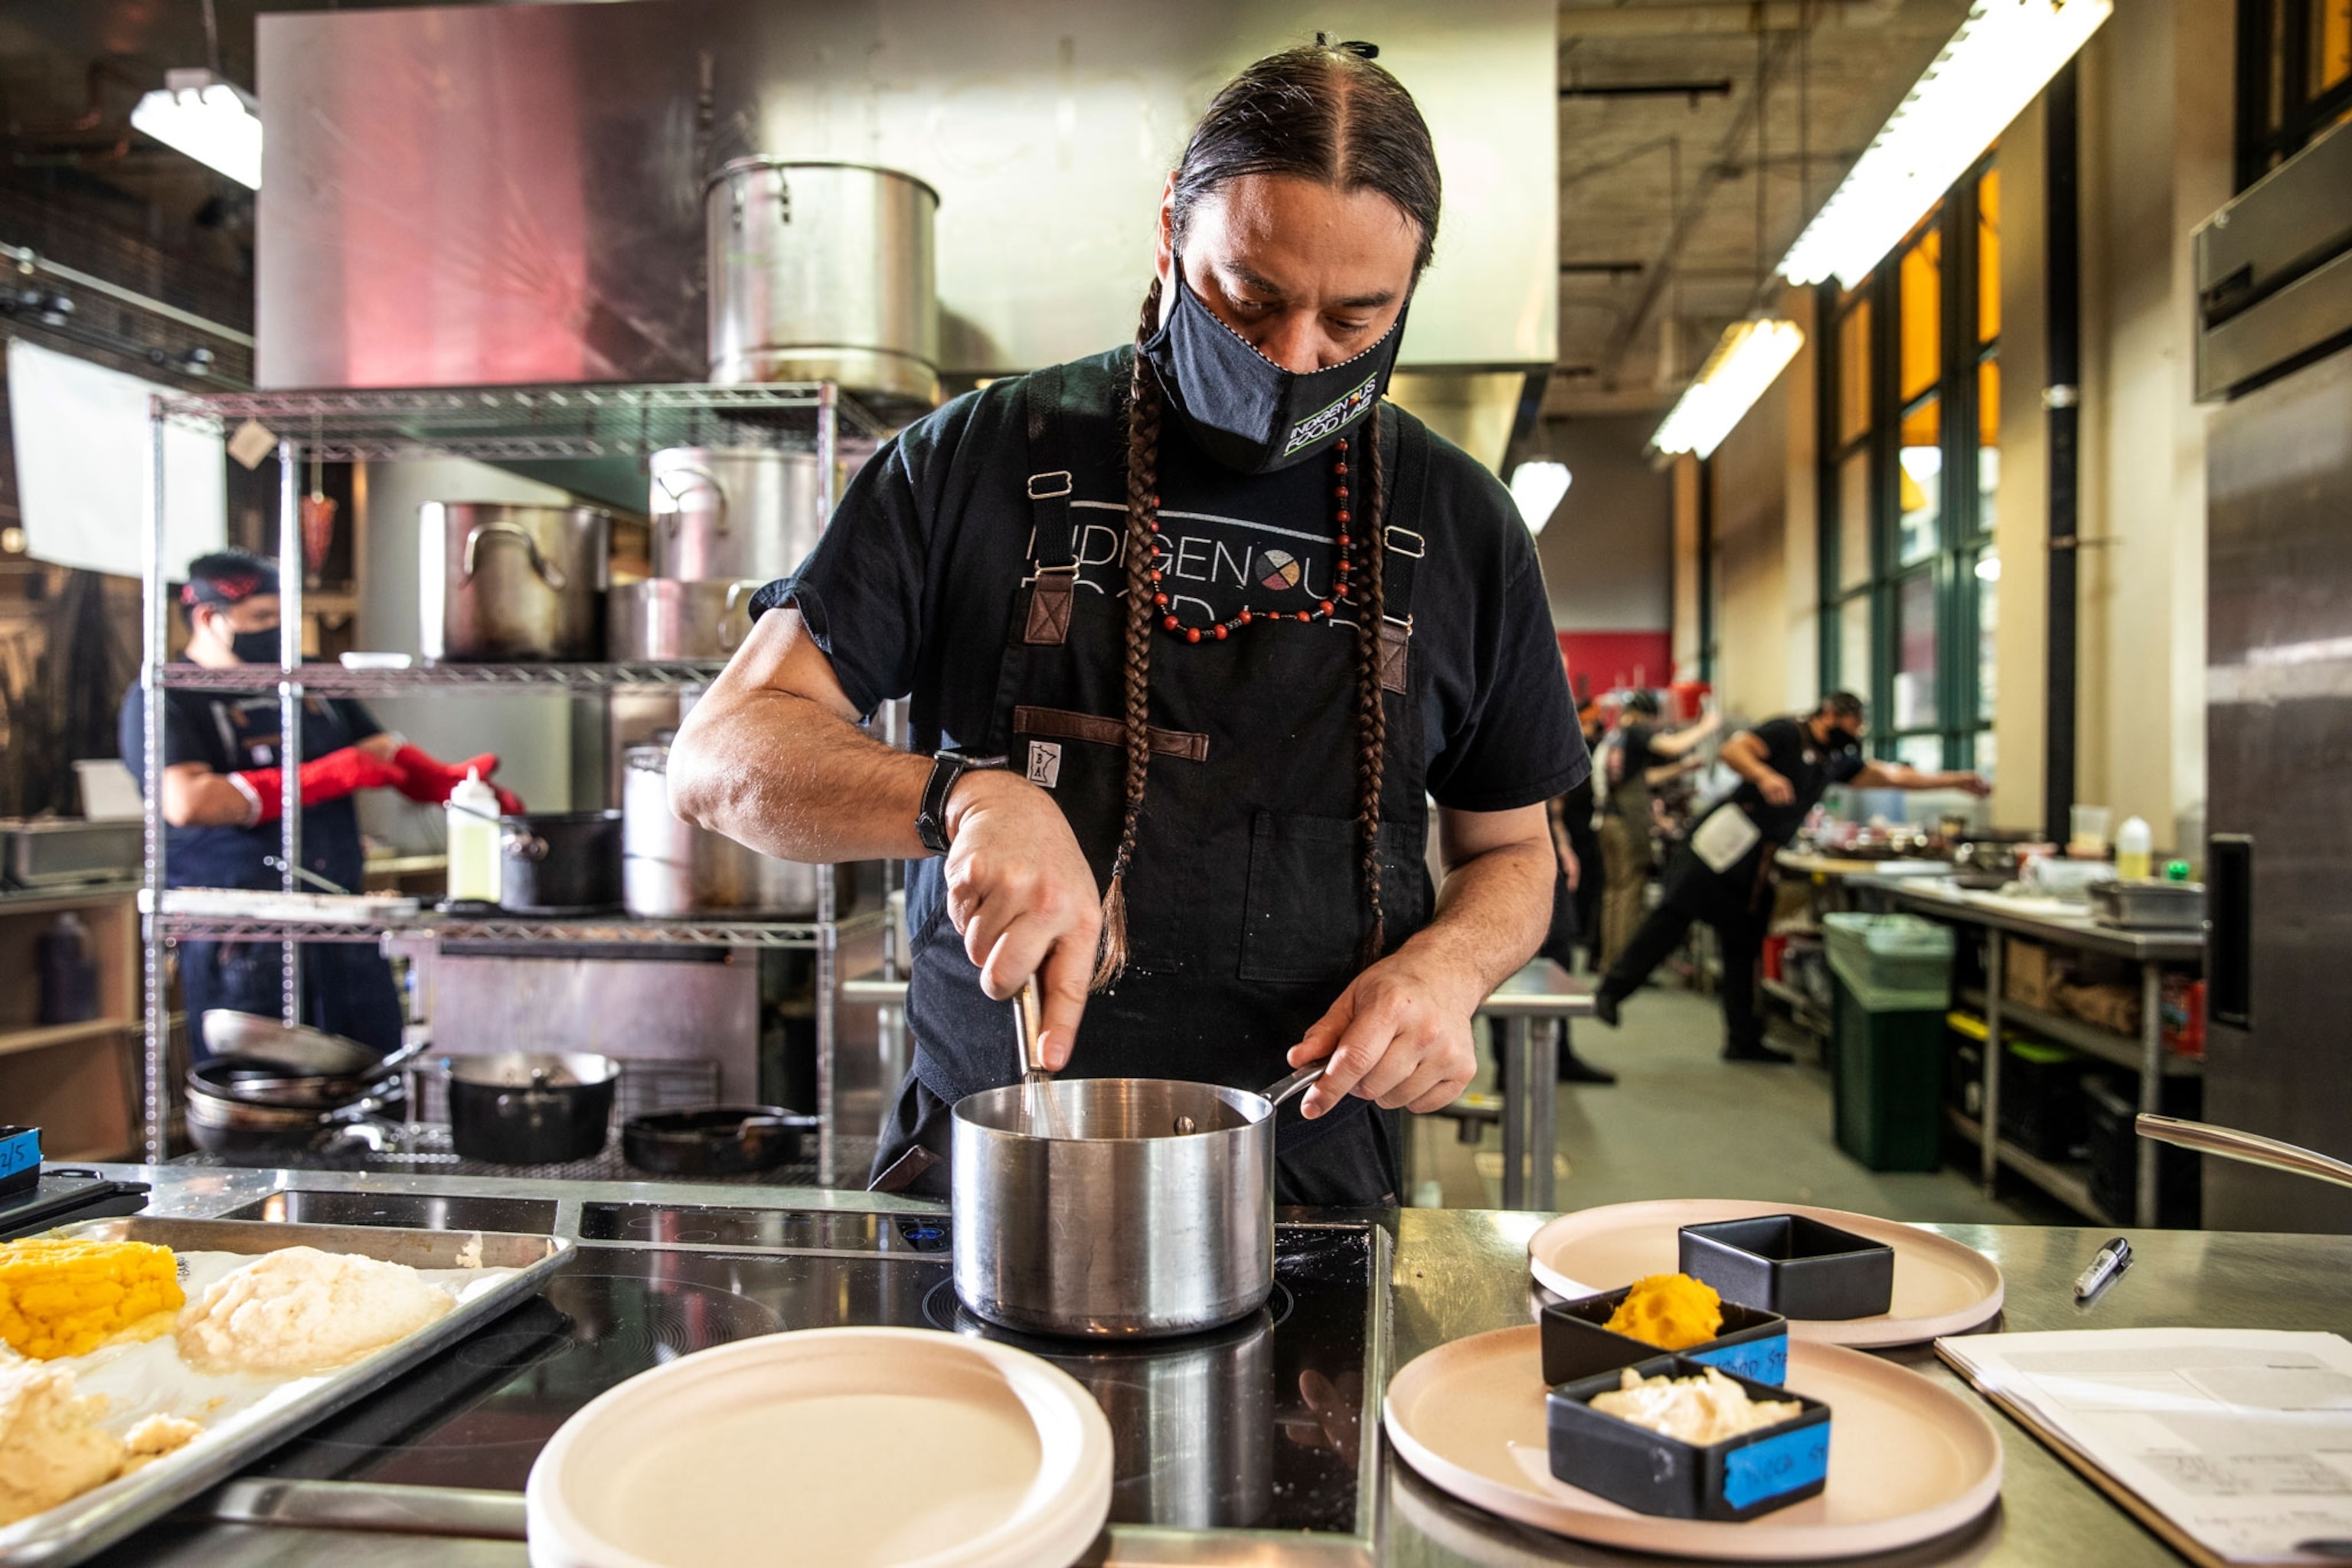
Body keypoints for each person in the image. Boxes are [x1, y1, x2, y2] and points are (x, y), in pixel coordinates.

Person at [670, 41, 1585, 1205]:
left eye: (1355, 321)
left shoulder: (1461, 525)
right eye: (1248, 298)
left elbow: (1513, 853)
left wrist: (1450, 965)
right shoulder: (976, 459)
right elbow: (722, 752)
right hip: (992, 1175)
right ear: (1170, 229)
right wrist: (963, 799)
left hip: (1301, 1191)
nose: (1293, 358)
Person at [118, 549, 521, 1056]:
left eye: (283, 617)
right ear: (207, 617)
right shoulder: (167, 695)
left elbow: (378, 751)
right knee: (267, 1086)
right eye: (261, 618)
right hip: (245, 938)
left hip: (344, 920)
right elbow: (187, 800)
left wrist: (450, 785)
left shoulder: (306, 676)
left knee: (375, 1070)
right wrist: (327, 776)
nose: (277, 631)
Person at [1589, 691, 1987, 1063]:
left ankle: (1743, 1038)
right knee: (1670, 918)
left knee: (1744, 941)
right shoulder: (1786, 732)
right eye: (1851, 725)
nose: (1854, 734)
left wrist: (1955, 781)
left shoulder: (1835, 758)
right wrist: (1764, 775)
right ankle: (1610, 992)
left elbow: (1890, 776)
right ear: (1829, 715)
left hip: (1758, 861)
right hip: (1722, 843)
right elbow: (1734, 751)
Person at [1594, 692, 1719, 970]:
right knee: (1629, 893)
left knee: (1614, 893)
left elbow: (1642, 779)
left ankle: (1609, 961)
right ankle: (1622, 966)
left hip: (1607, 820)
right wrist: (1705, 727)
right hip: (1626, 825)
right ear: (1645, 715)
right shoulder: (1637, 730)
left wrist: (1682, 768)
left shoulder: (1616, 737)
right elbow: (1671, 746)